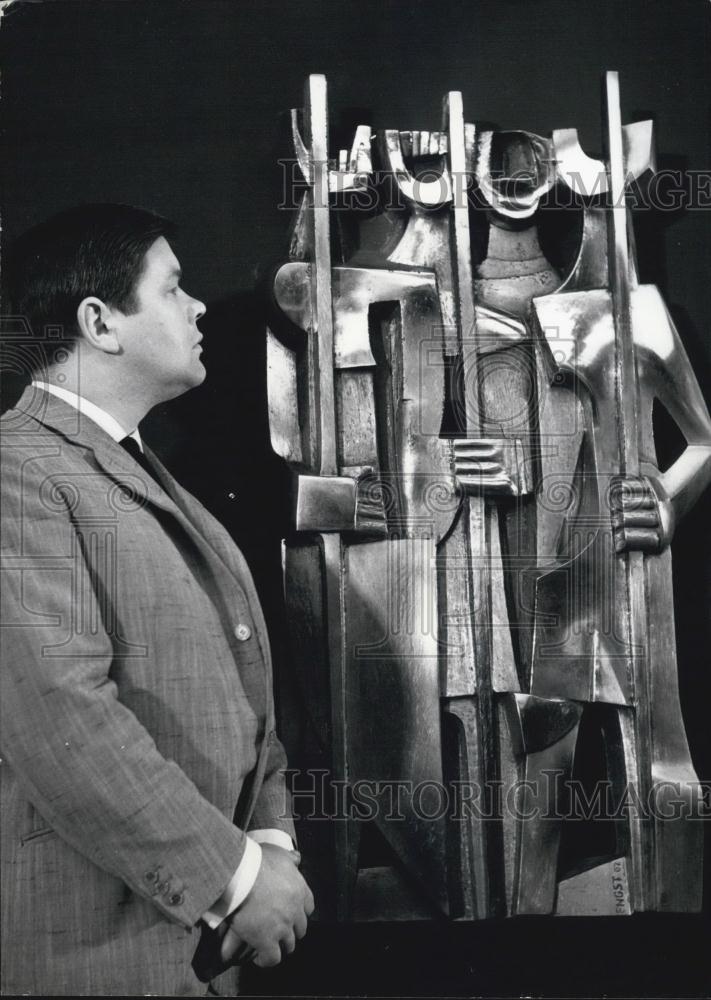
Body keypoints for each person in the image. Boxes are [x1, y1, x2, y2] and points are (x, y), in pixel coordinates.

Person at [0, 203, 314, 996]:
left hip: (181, 952)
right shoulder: (15, 468)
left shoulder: (146, 474)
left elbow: (243, 682)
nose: (199, 306)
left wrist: (271, 845)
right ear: (100, 323)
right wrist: (238, 878)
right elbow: (60, 715)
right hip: (90, 958)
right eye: (173, 288)